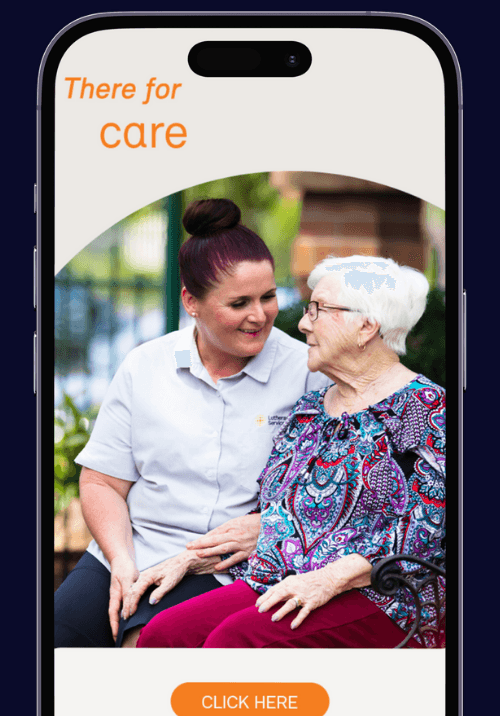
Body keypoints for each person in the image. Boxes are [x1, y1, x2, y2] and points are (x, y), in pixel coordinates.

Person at [54, 198, 329, 648]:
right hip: (133, 547)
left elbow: (332, 489)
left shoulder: (307, 372)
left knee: (143, 643)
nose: (259, 315)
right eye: (239, 303)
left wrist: (267, 525)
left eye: (268, 296)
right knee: (59, 639)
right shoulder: (145, 366)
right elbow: (103, 482)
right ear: (191, 302)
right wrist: (122, 560)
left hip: (224, 563)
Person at [137, 255, 446, 650]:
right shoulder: (310, 410)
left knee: (236, 643)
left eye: (318, 310)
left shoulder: (428, 409)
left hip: (383, 597)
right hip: (285, 580)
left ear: (366, 326)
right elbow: (275, 509)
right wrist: (191, 558)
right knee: (166, 634)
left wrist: (332, 578)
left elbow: (431, 528)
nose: (303, 324)